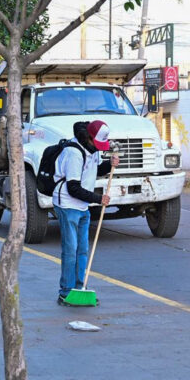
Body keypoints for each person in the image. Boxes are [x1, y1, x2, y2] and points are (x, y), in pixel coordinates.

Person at [53, 120, 118, 306]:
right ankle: (65, 292)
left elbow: (93, 170)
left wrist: (109, 165)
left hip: (83, 206)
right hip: (67, 205)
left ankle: (79, 288)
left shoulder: (93, 149)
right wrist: (98, 199)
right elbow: (73, 187)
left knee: (82, 249)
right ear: (89, 137)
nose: (99, 148)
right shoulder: (74, 153)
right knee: (71, 250)